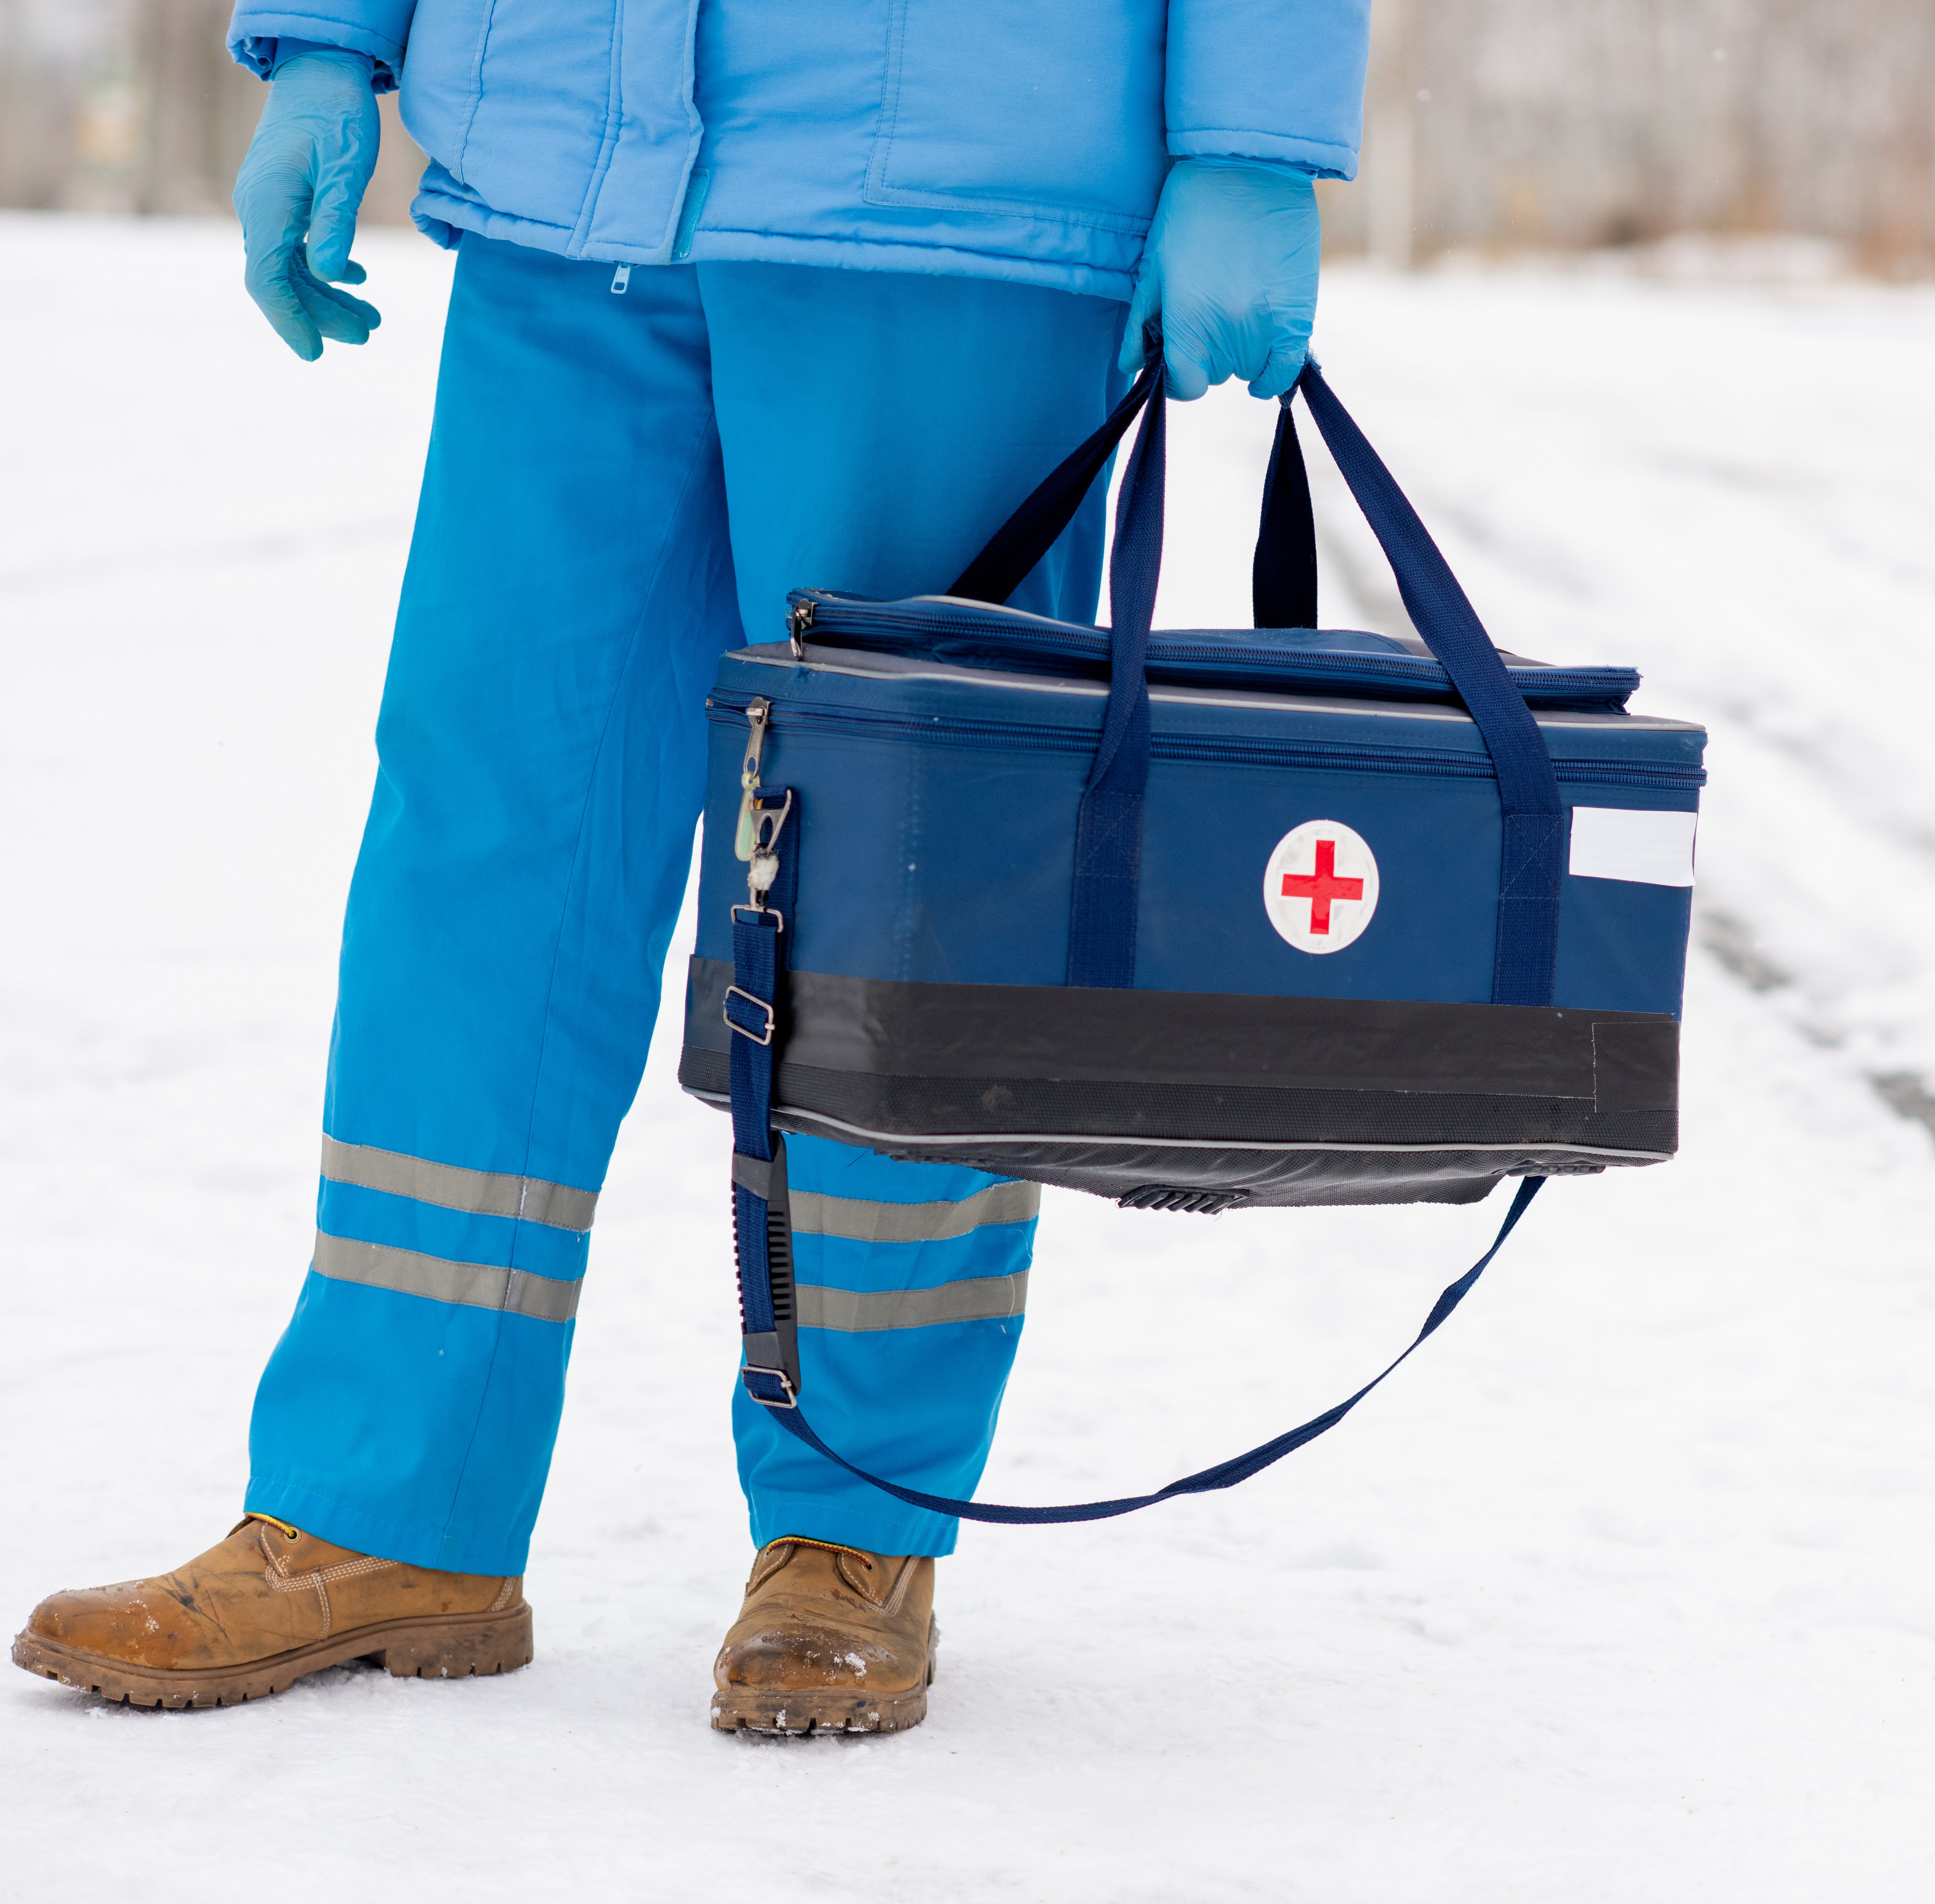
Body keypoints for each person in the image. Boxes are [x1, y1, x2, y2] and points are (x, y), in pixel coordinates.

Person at [9, 0, 1367, 1736]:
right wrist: (331, 40)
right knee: (487, 835)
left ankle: (851, 1528)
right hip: (571, 175)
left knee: (896, 876)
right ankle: (382, 1508)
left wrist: (1254, 128)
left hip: (946, 183)